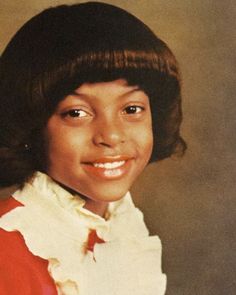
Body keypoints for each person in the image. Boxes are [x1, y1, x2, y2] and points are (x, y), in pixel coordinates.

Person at [0, 2, 186, 294]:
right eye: (76, 113)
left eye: (132, 108)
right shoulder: (9, 248)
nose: (111, 136)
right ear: (30, 125)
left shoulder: (122, 229)